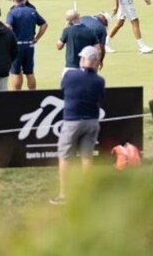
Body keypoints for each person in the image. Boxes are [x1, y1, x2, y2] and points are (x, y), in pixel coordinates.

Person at [50, 46, 105, 205]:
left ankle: (64, 194)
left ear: (83, 60)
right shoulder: (99, 81)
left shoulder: (70, 75)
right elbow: (100, 97)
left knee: (65, 157)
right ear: (96, 62)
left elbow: (63, 88)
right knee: (87, 158)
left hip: (72, 121)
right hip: (92, 122)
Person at [6, 0, 48, 90]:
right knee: (29, 72)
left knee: (15, 72)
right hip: (29, 45)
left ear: (13, 0)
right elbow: (44, 24)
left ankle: (16, 97)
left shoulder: (12, 12)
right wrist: (37, 38)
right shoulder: (32, 11)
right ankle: (32, 94)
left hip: (16, 46)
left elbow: (8, 27)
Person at [56, 10, 101, 77]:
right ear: (79, 17)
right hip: (86, 68)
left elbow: (59, 46)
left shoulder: (67, 30)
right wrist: (95, 66)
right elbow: (99, 51)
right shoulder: (91, 31)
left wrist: (64, 29)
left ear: (68, 20)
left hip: (70, 67)